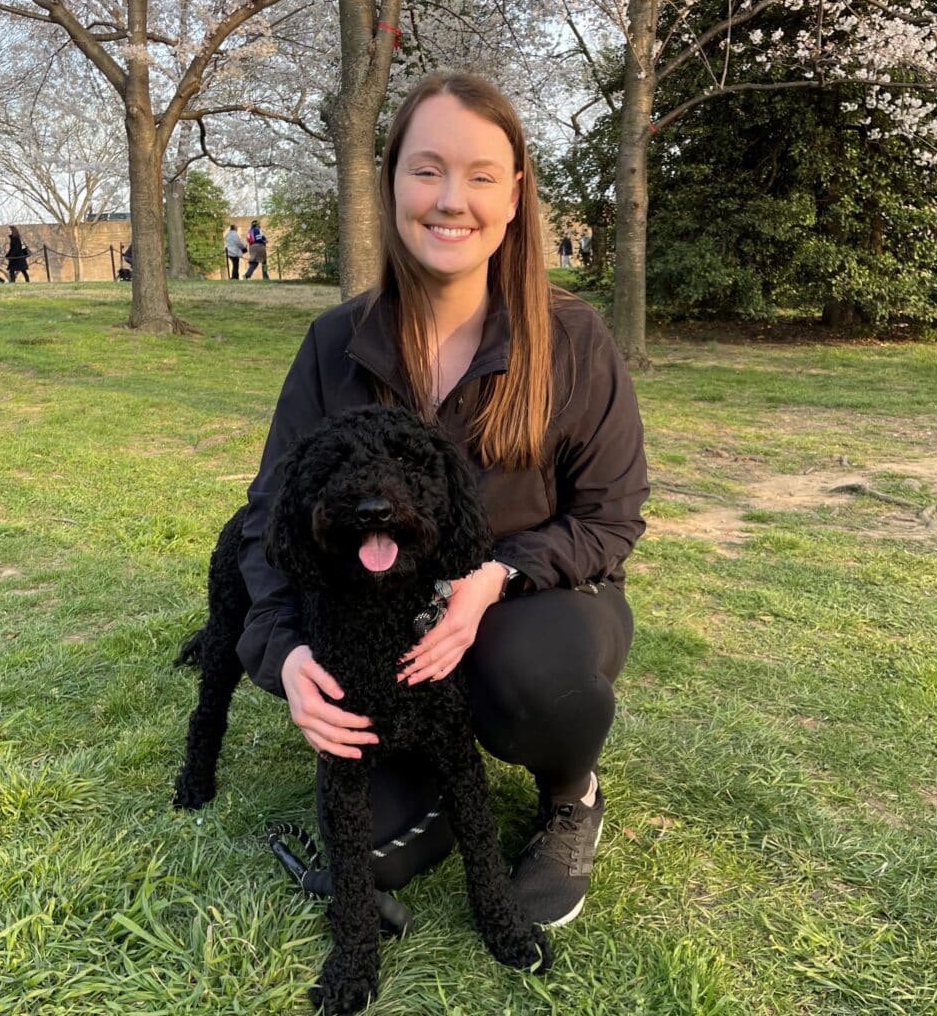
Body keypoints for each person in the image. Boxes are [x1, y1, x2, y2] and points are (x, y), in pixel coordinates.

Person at [238, 72, 648, 928]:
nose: (450, 200)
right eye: (426, 170)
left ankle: (571, 792)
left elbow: (609, 518)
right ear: (391, 184)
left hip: (536, 603)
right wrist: (281, 652)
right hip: (384, 628)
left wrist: (495, 575)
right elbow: (267, 517)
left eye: (480, 175)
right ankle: (427, 762)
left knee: (531, 678)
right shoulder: (334, 345)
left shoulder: (573, 339)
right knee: (379, 851)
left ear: (515, 195)